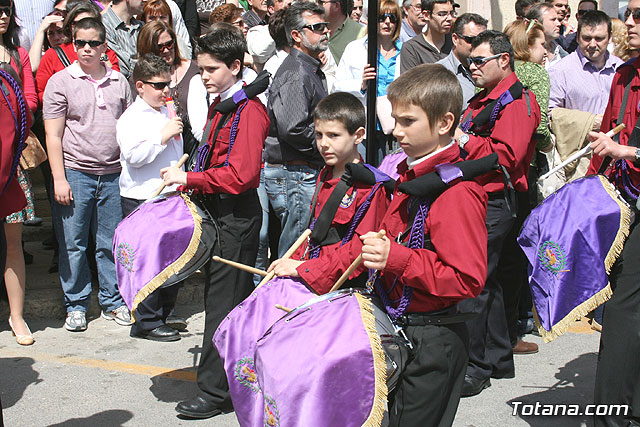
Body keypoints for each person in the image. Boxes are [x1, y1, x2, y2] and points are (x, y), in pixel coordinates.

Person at [359, 63, 488, 426]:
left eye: (407, 121)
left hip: (434, 337)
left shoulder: (457, 192)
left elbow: (466, 279)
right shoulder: (408, 174)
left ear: (444, 123)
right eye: (395, 120)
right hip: (399, 326)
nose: (395, 131)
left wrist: (397, 259)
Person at [160, 24, 269, 419]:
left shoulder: (249, 111)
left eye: (210, 69)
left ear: (235, 66)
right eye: (201, 69)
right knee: (222, 302)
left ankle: (214, 392)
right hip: (219, 212)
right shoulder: (223, 105)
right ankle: (229, 378)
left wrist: (190, 178)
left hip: (235, 217)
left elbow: (241, 177)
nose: (203, 76)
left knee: (224, 305)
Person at [455, 30, 541, 397]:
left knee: (473, 284)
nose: (472, 67)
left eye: (480, 61)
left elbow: (507, 156)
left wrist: (460, 139)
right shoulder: (484, 99)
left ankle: (477, 367)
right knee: (487, 285)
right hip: (478, 199)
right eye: (470, 61)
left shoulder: (515, 101)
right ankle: (496, 360)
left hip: (495, 201)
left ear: (504, 60)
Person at [43, 17, 133, 332]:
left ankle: (112, 301)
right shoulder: (59, 82)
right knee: (73, 243)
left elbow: (129, 128)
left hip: (113, 173)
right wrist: (59, 178)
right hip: (75, 172)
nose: (86, 49)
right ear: (73, 43)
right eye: (80, 42)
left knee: (110, 242)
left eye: (93, 43)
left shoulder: (120, 82)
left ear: (104, 45)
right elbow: (52, 135)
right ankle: (77, 305)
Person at [268, 91, 391, 289]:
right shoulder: (325, 174)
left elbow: (360, 251)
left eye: (333, 135)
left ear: (358, 135)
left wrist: (305, 268)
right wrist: (291, 261)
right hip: (316, 274)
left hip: (345, 286)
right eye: (319, 135)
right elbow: (315, 231)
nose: (324, 144)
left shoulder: (371, 187)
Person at [586, 2, 640, 425]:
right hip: (627, 203)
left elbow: (626, 146)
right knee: (624, 303)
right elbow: (608, 138)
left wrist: (631, 151)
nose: (631, 23)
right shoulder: (625, 75)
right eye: (630, 13)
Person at [116, 54, 185, 341]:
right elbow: (134, 157)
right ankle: (146, 320)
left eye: (168, 84)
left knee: (171, 260)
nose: (165, 91)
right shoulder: (131, 117)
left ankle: (161, 314)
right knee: (148, 262)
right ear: (140, 86)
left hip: (170, 195)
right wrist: (163, 137)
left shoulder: (163, 111)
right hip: (143, 198)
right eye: (159, 86)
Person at [264, 2, 328, 258]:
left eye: (325, 26)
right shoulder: (297, 72)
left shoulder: (307, 68)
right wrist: (325, 146)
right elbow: (293, 128)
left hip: (300, 171)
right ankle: (282, 297)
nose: (325, 32)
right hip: (295, 172)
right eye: (317, 27)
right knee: (296, 250)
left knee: (301, 245)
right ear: (296, 35)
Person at [1, 0, 38, 346]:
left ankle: (17, 316)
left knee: (15, 242)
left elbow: (30, 100)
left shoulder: (17, 54)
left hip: (12, 161)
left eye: (5, 8)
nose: (1, 14)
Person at [334, 0, 402, 162]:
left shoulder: (405, 51)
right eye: (381, 17)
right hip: (364, 126)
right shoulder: (355, 49)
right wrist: (361, 84)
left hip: (395, 128)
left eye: (392, 18)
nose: (387, 22)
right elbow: (337, 86)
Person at [135, 20, 207, 159]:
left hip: (193, 149)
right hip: (160, 152)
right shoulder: (140, 78)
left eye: (169, 44)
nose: (166, 50)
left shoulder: (194, 69)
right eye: (160, 47)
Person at [35, 1, 120, 103]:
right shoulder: (53, 55)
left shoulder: (109, 54)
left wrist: (103, 59)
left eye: (89, 22)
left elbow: (117, 88)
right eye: (76, 23)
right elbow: (41, 92)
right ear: (69, 26)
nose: (83, 27)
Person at [549, 11, 622, 116]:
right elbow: (550, 114)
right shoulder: (560, 71)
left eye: (599, 38)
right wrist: (587, 124)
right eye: (587, 38)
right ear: (578, 37)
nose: (592, 44)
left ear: (610, 37)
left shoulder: (621, 69)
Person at [436, 12, 488, 109]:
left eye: (482, 40)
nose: (477, 45)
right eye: (471, 40)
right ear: (455, 39)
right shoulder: (437, 73)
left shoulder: (489, 68)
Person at [400, 0, 454, 73]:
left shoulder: (456, 44)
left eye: (452, 13)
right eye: (442, 14)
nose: (449, 18)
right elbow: (409, 83)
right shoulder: (412, 48)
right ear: (426, 15)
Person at [102, 0, 144, 78]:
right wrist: (146, 66)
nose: (145, 0)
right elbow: (122, 68)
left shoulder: (142, 26)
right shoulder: (103, 26)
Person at [525, 2, 567, 69]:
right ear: (537, 23)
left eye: (558, 20)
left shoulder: (562, 54)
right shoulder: (524, 54)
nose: (558, 24)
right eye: (553, 20)